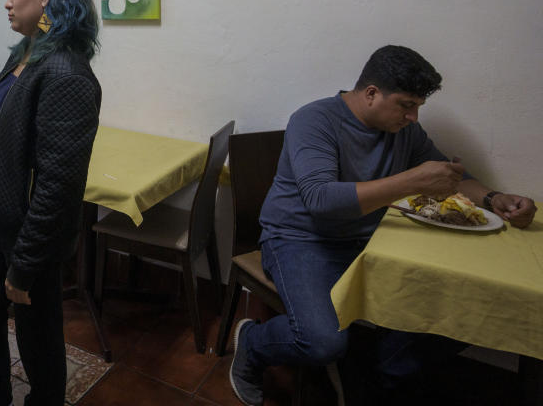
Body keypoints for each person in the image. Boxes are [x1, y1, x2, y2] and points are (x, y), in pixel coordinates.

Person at [229, 45, 537, 406]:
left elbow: (448, 175)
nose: (413, 117)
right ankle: (252, 342)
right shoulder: (314, 120)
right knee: (321, 342)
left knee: (455, 304)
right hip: (301, 239)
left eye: (419, 107)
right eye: (407, 105)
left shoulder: (404, 131)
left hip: (371, 240)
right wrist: (412, 181)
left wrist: (492, 198)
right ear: (371, 94)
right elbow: (321, 200)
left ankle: (367, 373)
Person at [0, 0, 102, 406]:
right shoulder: (24, 54)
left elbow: (58, 187)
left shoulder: (66, 72)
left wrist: (24, 264)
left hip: (31, 237)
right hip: (1, 226)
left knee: (38, 341)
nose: (7, 3)